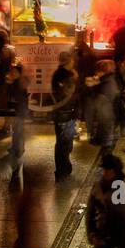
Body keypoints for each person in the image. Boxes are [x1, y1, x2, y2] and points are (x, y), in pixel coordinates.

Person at [51, 50, 78, 180]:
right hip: (64, 113)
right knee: (64, 143)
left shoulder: (62, 74)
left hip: (65, 112)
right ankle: (62, 171)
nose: (74, 62)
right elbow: (67, 94)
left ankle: (64, 168)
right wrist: (75, 81)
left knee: (64, 143)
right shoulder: (64, 76)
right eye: (72, 59)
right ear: (69, 61)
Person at [6, 61, 30, 187]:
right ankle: (17, 147)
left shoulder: (17, 83)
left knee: (18, 130)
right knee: (18, 130)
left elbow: (15, 98)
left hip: (19, 111)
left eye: (14, 72)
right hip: (20, 110)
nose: (12, 74)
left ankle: (17, 148)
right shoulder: (21, 82)